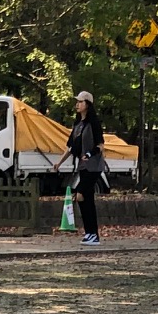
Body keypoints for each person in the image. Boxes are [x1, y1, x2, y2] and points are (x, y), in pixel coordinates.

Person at [66, 91, 108, 245]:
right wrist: (59, 163)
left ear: (88, 105)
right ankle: (91, 233)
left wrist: (90, 154)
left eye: (81, 102)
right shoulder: (78, 124)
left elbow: (101, 144)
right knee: (86, 198)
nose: (77, 104)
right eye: (77, 102)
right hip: (82, 167)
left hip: (94, 166)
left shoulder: (93, 123)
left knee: (80, 195)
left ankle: (92, 233)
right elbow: (70, 147)